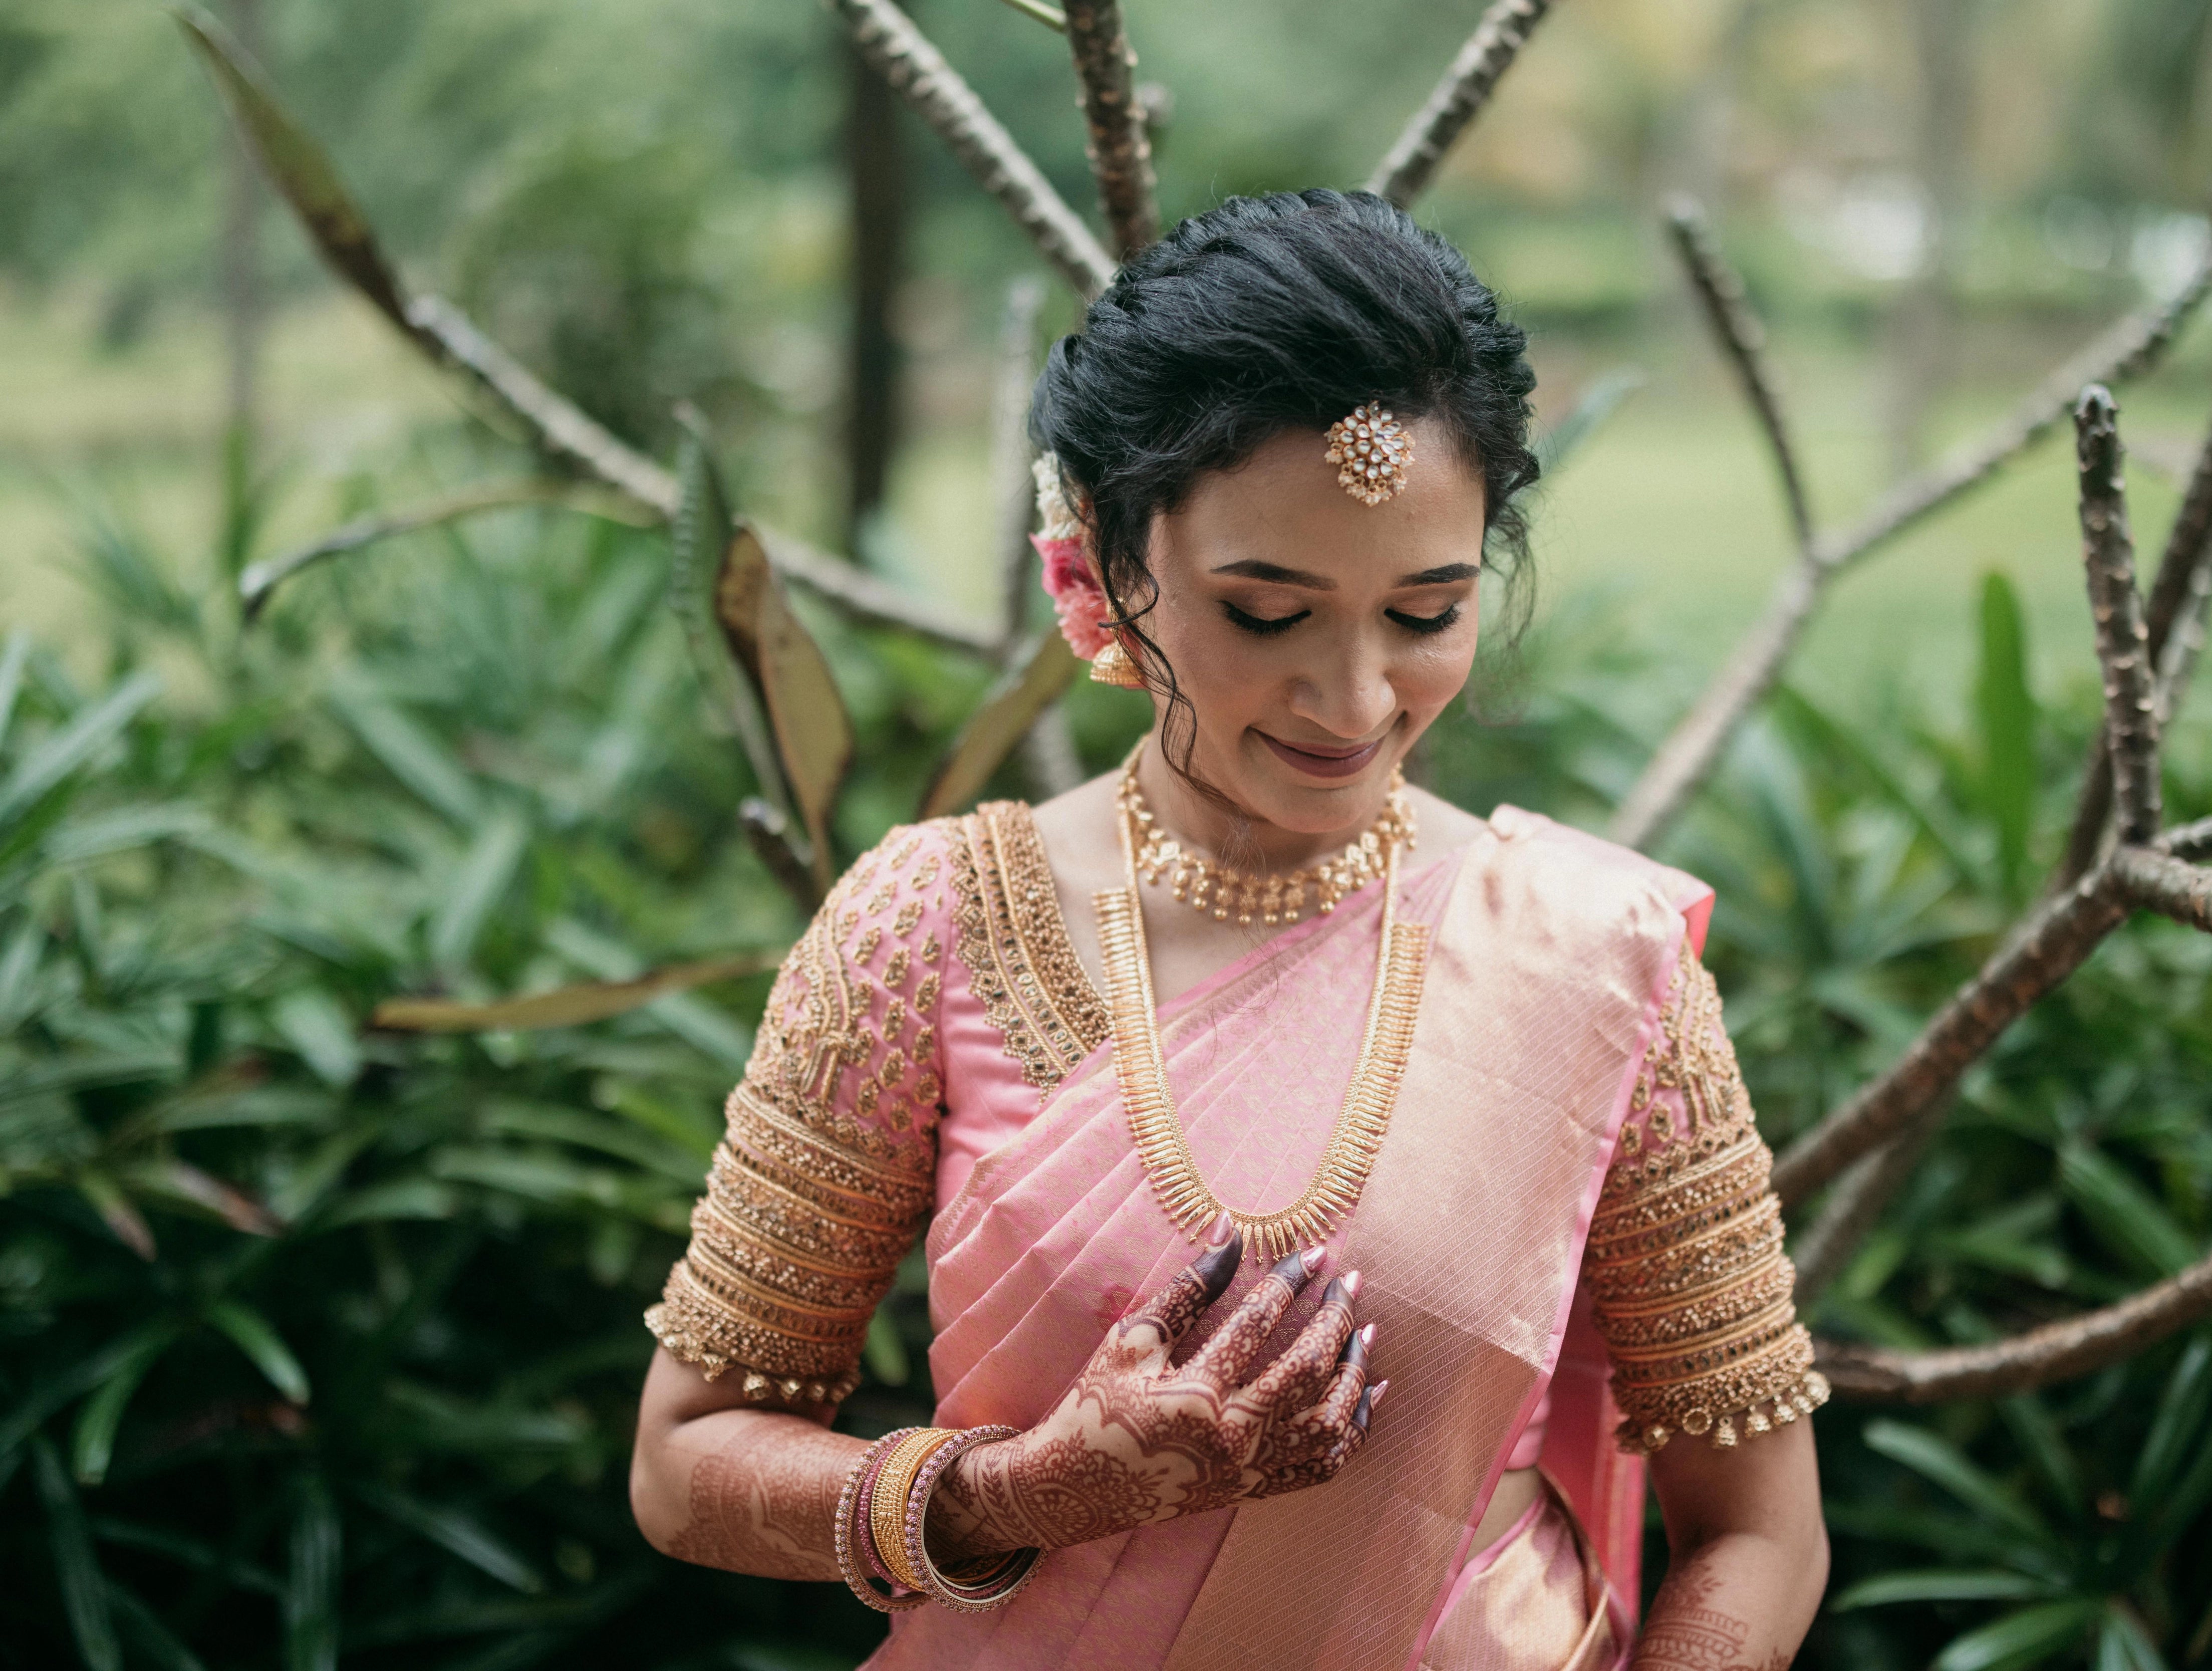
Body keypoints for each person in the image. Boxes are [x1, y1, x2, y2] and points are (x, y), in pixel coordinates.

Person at [628, 188, 1828, 1670]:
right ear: (1107, 569)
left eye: (1426, 613)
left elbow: (1761, 1529)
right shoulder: (925, 929)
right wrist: (1031, 1488)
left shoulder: (1592, 957)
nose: (1357, 700)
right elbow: (685, 1463)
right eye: (1268, 614)